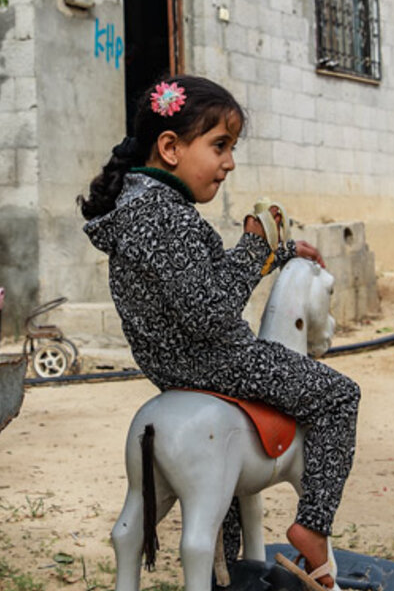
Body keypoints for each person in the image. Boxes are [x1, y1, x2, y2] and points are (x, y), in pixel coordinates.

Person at [80, 75, 359, 588]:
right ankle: (314, 527)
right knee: (340, 396)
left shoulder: (140, 211)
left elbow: (201, 286)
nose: (229, 162)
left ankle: (226, 569)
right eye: (219, 146)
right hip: (215, 360)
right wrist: (255, 246)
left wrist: (279, 251)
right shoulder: (166, 217)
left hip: (174, 369)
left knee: (226, 484)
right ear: (170, 147)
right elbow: (211, 312)